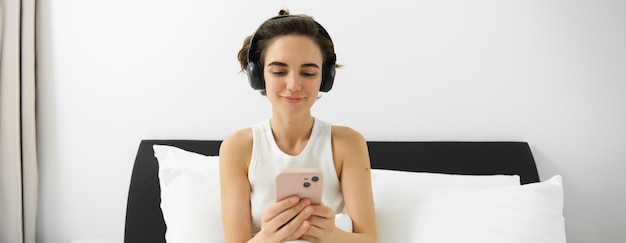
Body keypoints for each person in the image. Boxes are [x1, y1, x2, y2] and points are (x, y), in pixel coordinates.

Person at [219, 9, 378, 243]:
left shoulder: (347, 143)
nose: (293, 85)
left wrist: (331, 235)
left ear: (325, 78)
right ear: (258, 75)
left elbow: (370, 239)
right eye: (279, 71)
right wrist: (268, 237)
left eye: (308, 72)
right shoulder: (238, 147)